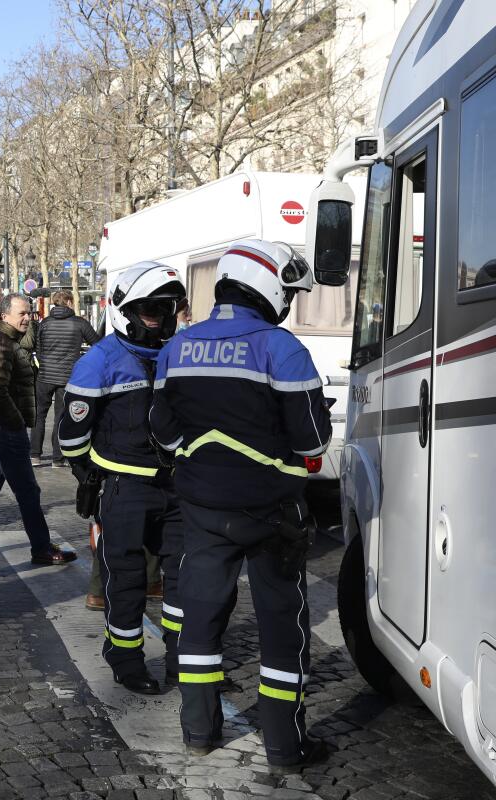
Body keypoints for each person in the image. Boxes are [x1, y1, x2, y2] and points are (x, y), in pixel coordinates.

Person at [149, 239, 332, 772]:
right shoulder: (282, 348)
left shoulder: (176, 348)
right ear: (269, 286)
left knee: (201, 621)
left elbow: (162, 432)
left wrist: (199, 455)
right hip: (271, 511)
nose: (290, 304)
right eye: (289, 293)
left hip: (203, 509)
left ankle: (198, 732)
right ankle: (284, 748)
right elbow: (313, 443)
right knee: (281, 627)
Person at [58, 263, 186, 696]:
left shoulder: (180, 353)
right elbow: (71, 437)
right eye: (147, 307)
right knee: (126, 579)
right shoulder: (100, 361)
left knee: (183, 578)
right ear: (124, 308)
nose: (156, 314)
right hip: (123, 488)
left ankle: (182, 656)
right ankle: (125, 658)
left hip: (175, 488)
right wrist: (91, 480)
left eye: (164, 307)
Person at [0, 294, 78, 567]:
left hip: (0, 426)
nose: (27, 318)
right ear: (5, 315)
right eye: (22, 313)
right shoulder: (0, 344)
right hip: (5, 429)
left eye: (29, 313)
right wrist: (16, 422)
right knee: (28, 491)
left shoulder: (10, 341)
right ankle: (41, 548)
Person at [31, 290, 100, 467]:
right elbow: (98, 345)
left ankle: (35, 456)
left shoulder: (45, 323)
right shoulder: (79, 323)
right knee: (60, 417)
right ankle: (57, 458)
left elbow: (38, 350)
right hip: (68, 377)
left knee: (39, 415)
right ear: (69, 302)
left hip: (45, 376)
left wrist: (46, 364)